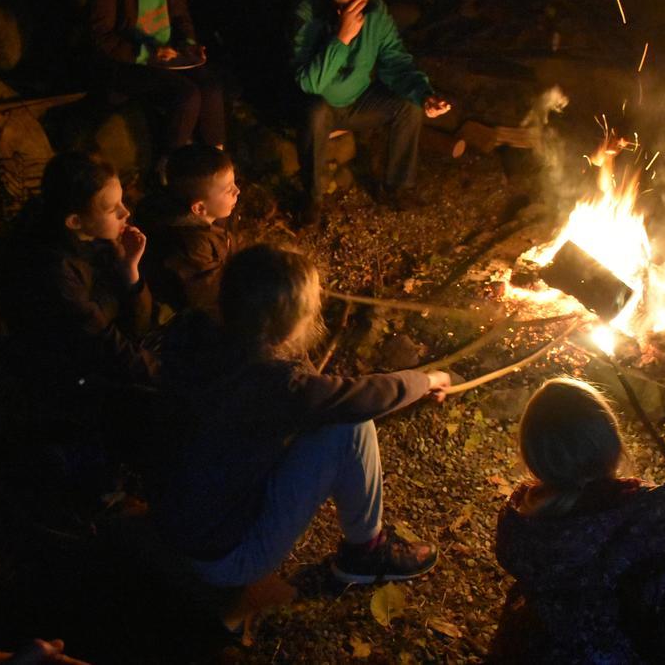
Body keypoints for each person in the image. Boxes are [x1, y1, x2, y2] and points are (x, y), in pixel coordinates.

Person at [152, 245, 451, 608]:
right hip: (225, 558)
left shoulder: (192, 332)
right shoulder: (275, 385)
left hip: (174, 525)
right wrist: (427, 379)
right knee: (350, 428)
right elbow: (360, 397)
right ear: (284, 328)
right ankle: (366, 553)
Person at [490, 378, 665, 663]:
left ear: (533, 457)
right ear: (613, 445)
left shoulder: (520, 518)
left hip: (536, 645)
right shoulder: (645, 516)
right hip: (607, 650)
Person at [290, 0, 451, 223]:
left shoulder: (375, 12)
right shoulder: (308, 13)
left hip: (359, 101)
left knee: (409, 104)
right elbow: (310, 83)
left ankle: (396, 188)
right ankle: (312, 199)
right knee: (316, 111)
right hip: (322, 105)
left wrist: (424, 94)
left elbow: (396, 63)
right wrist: (342, 38)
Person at [0, 151, 156, 394]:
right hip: (71, 382)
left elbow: (136, 327)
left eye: (121, 201)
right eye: (111, 208)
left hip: (112, 357)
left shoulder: (99, 242)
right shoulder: (53, 271)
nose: (125, 213)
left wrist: (130, 272)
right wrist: (168, 375)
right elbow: (103, 346)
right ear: (74, 221)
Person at [84, 0, 225, 178]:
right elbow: (102, 36)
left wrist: (188, 45)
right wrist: (147, 54)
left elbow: (180, 16)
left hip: (166, 54)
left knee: (211, 88)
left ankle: (217, 168)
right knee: (187, 95)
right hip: (128, 61)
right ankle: (168, 169)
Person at [141, 144, 240, 314]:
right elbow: (209, 296)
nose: (237, 190)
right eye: (228, 189)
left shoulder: (211, 216)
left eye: (234, 183)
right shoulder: (192, 247)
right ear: (199, 208)